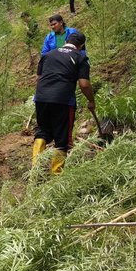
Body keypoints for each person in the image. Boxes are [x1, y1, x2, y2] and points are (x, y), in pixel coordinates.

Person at [33, 31, 95, 174]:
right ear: (81, 45)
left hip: (41, 97)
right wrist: (91, 100)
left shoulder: (48, 55)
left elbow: (39, 78)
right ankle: (56, 173)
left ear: (66, 40)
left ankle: (35, 170)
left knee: (42, 131)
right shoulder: (80, 57)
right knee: (62, 137)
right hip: (63, 100)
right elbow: (84, 84)